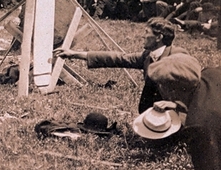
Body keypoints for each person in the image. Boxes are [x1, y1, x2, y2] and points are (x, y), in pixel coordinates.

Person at [55, 17, 187, 113]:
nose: (142, 36)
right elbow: (117, 58)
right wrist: (73, 54)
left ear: (159, 37)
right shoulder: (148, 55)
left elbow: (194, 90)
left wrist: (174, 105)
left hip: (180, 112)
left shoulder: (178, 56)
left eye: (147, 33)